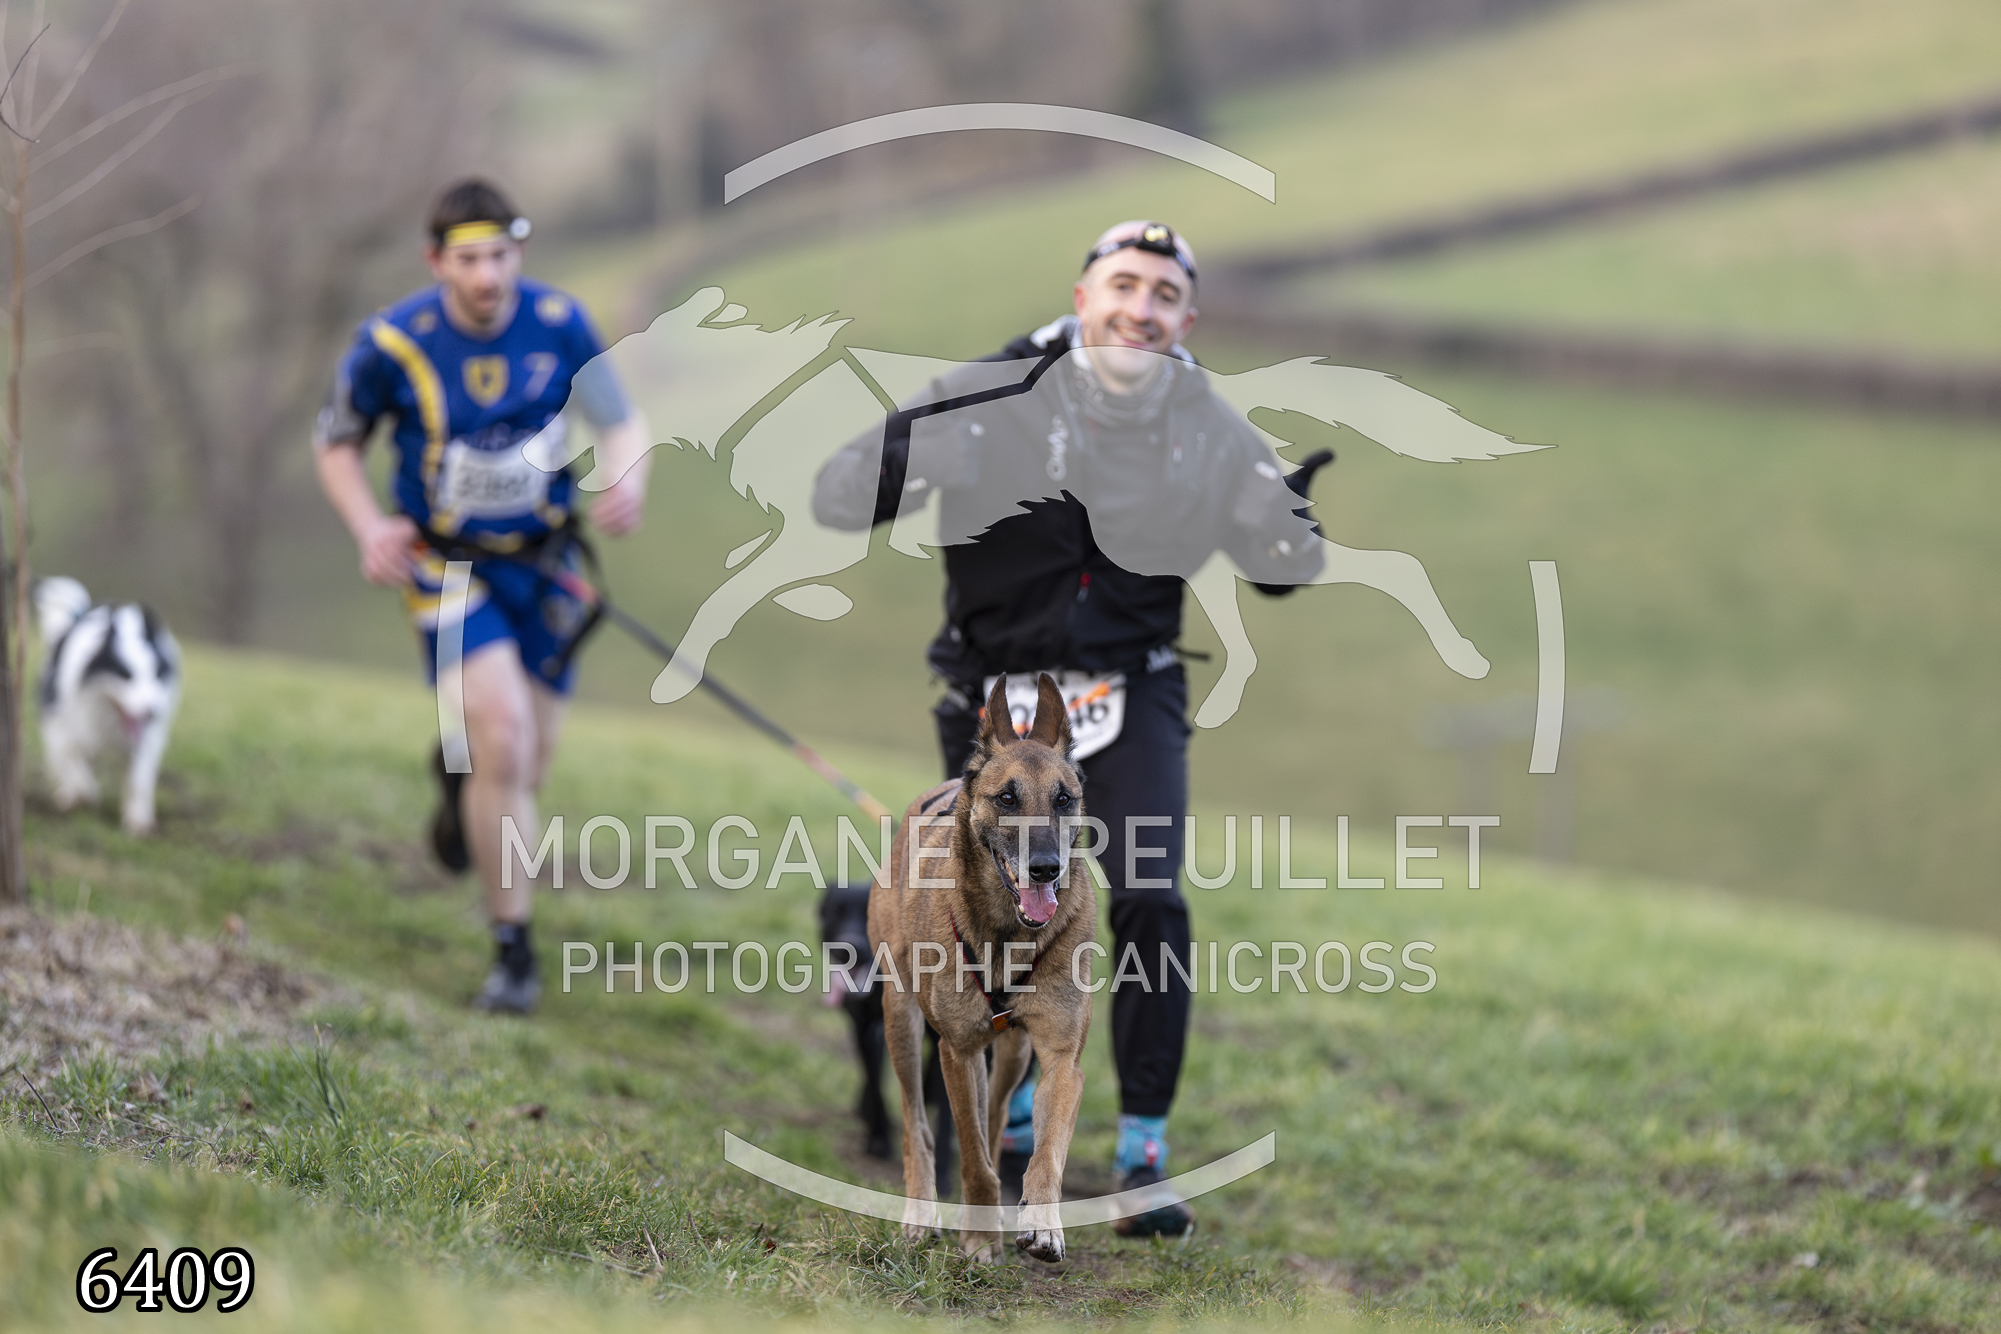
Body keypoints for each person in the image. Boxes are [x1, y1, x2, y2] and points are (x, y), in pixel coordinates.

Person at [812, 220, 1327, 1235]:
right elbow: (838, 497)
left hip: (1132, 691)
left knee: (1149, 897)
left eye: (1164, 294)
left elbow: (1279, 569)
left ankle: (1143, 1152)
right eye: (1124, 284)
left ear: (1186, 320)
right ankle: (1004, 1122)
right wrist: (918, 452)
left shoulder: (1210, 426)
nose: (1141, 308)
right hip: (997, 701)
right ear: (1084, 296)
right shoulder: (990, 391)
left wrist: (1291, 528)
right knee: (988, 911)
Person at [311, 178, 651, 1014]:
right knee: (502, 736)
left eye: (499, 256)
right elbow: (336, 443)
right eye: (468, 260)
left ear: (518, 252)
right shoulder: (392, 343)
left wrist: (627, 478)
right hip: (448, 567)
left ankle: (457, 780)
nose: (487, 276)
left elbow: (620, 420)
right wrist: (369, 528)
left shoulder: (561, 323)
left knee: (526, 763)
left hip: (547, 565)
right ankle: (513, 952)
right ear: (436, 262)